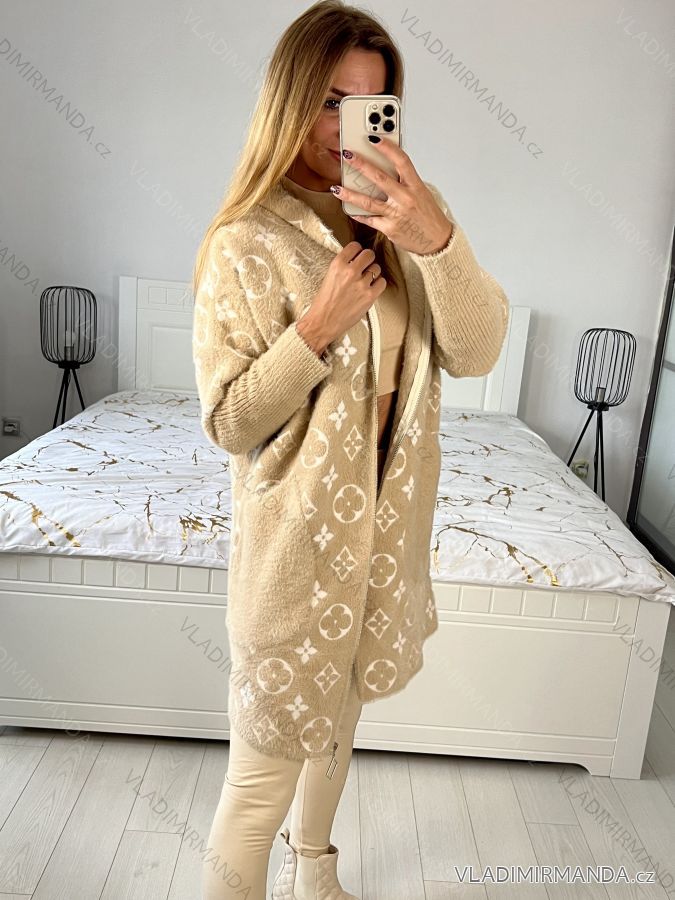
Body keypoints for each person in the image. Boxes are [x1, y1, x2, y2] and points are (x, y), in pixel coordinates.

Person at [191, 3, 510, 897]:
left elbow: (477, 351)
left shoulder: (410, 216)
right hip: (295, 556)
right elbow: (229, 422)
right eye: (330, 101)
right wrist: (317, 328)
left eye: (372, 105)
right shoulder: (245, 241)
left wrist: (435, 241)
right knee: (259, 783)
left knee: (337, 731)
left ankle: (316, 872)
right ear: (290, 98)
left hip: (383, 543)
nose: (348, 126)